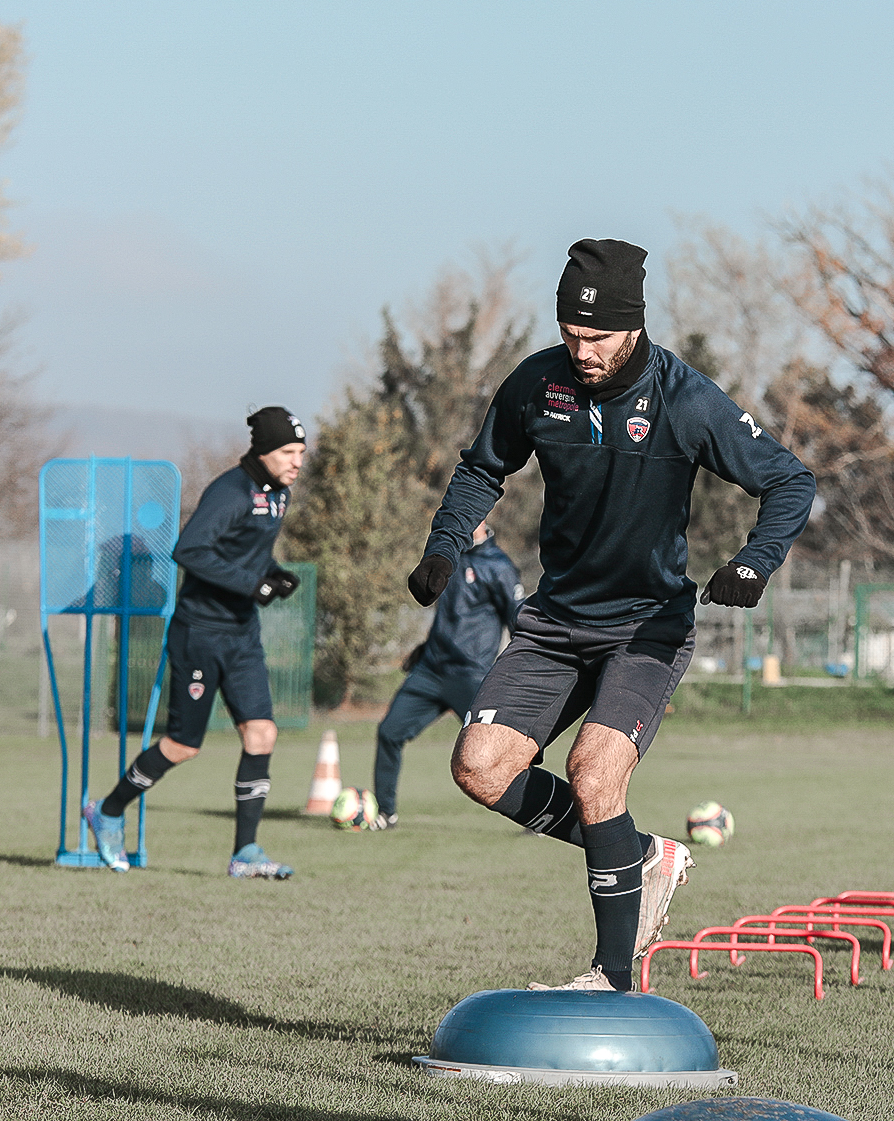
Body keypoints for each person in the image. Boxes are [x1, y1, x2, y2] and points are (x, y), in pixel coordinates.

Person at [407, 238, 816, 991]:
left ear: (633, 325)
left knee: (594, 772)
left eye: (596, 337)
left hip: (647, 626)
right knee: (479, 766)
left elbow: (791, 480)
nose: (582, 350)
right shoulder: (538, 383)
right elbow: (481, 469)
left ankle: (612, 977)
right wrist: (443, 546)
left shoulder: (684, 399)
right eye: (571, 333)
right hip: (555, 623)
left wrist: (754, 562)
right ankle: (643, 856)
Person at [83, 406, 308, 879]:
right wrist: (252, 584)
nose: (297, 462)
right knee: (184, 745)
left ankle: (245, 853)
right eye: (289, 452)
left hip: (242, 634)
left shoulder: (279, 494)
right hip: (200, 634)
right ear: (264, 451)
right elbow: (188, 550)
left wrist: (272, 574)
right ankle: (107, 811)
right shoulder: (231, 491)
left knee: (262, 734)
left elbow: (246, 552)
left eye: (301, 452)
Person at [372, 520, 523, 830]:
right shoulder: (449, 556)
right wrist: (425, 647)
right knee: (389, 732)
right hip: (430, 670)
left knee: (503, 747)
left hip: (470, 676)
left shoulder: (498, 566)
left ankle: (536, 816)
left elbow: (519, 623)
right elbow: (449, 615)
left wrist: (515, 672)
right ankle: (386, 814)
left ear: (484, 518)